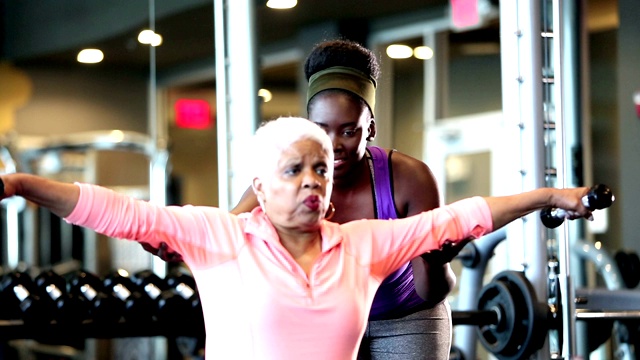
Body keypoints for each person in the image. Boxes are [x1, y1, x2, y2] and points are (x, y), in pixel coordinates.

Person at [0, 116, 594, 360]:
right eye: (293, 171)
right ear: (260, 183)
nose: (312, 182)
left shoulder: (362, 245)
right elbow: (116, 212)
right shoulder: (220, 236)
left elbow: (457, 219)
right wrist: (23, 183)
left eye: (322, 171)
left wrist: (548, 197)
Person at [233, 39, 460, 359]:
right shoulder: (280, 180)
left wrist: (437, 264)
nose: (333, 143)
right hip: (323, 316)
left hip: (404, 315)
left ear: (371, 129)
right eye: (321, 129)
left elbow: (430, 289)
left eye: (348, 130)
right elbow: (222, 233)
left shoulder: (410, 179)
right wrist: (172, 243)